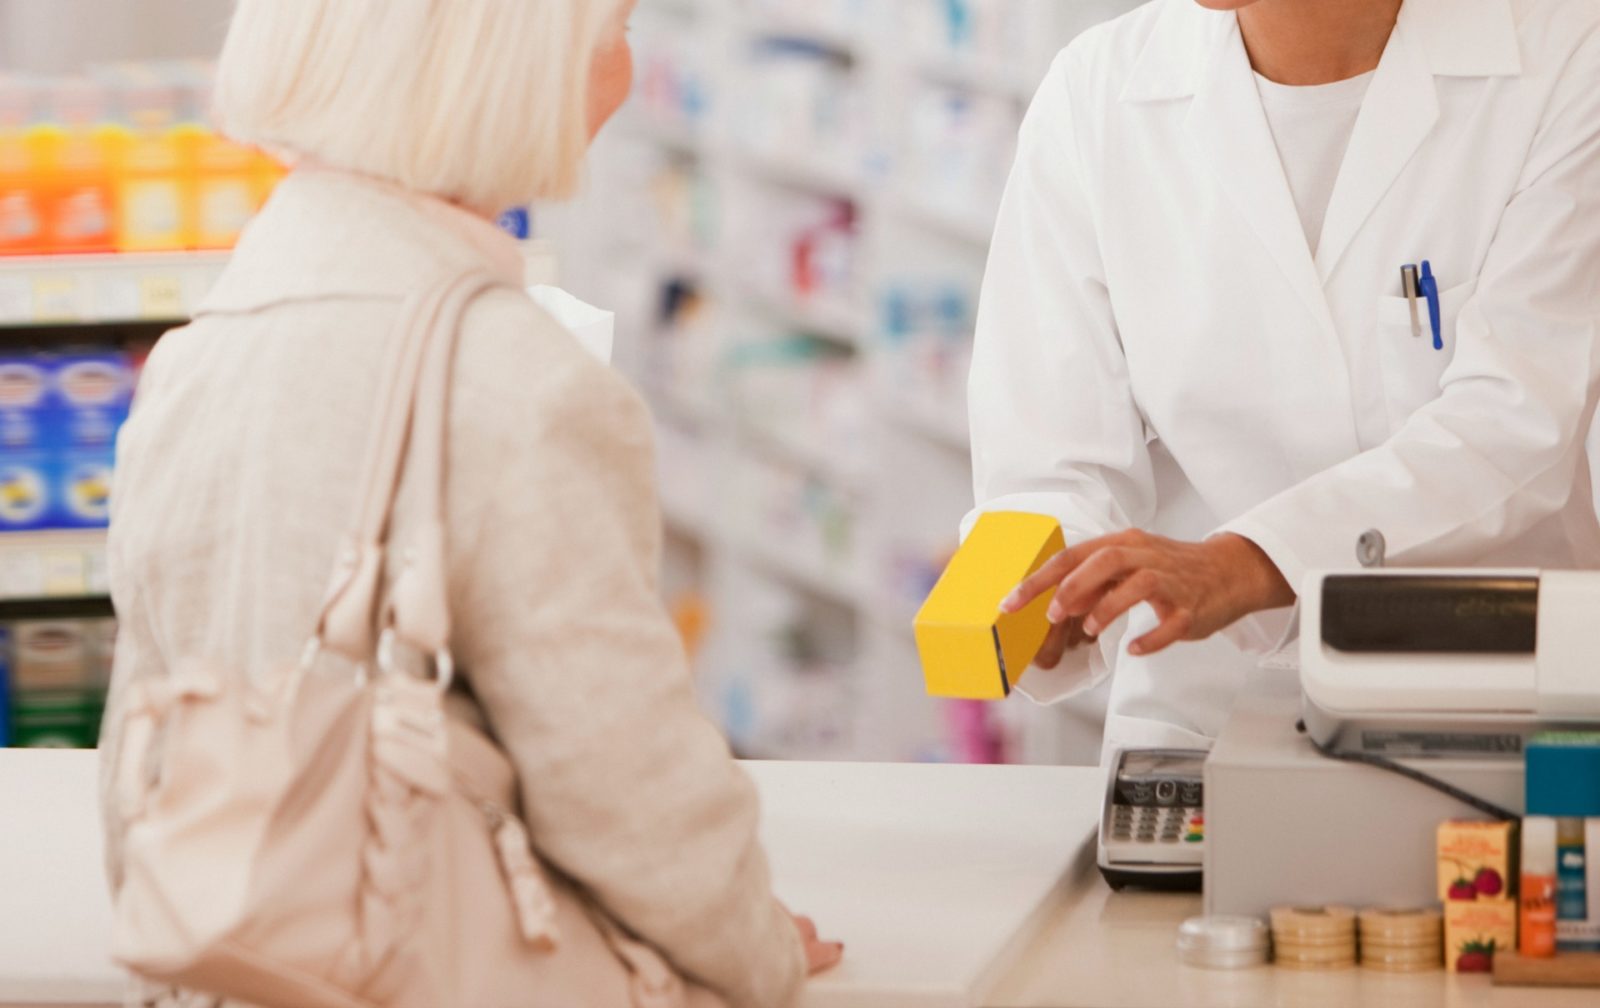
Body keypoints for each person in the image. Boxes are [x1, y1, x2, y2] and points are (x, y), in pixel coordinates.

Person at [97, 1, 839, 1005]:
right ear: (517, 70)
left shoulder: (191, 356)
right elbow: (624, 787)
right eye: (613, 30)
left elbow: (144, 745)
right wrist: (754, 949)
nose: (627, 66)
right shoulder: (517, 380)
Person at [971, 0, 1600, 758]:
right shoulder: (1095, 91)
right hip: (1200, 719)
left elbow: (1513, 423)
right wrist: (1052, 593)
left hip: (1481, 705)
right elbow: (1046, 455)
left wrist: (1248, 563)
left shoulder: (1566, 58)